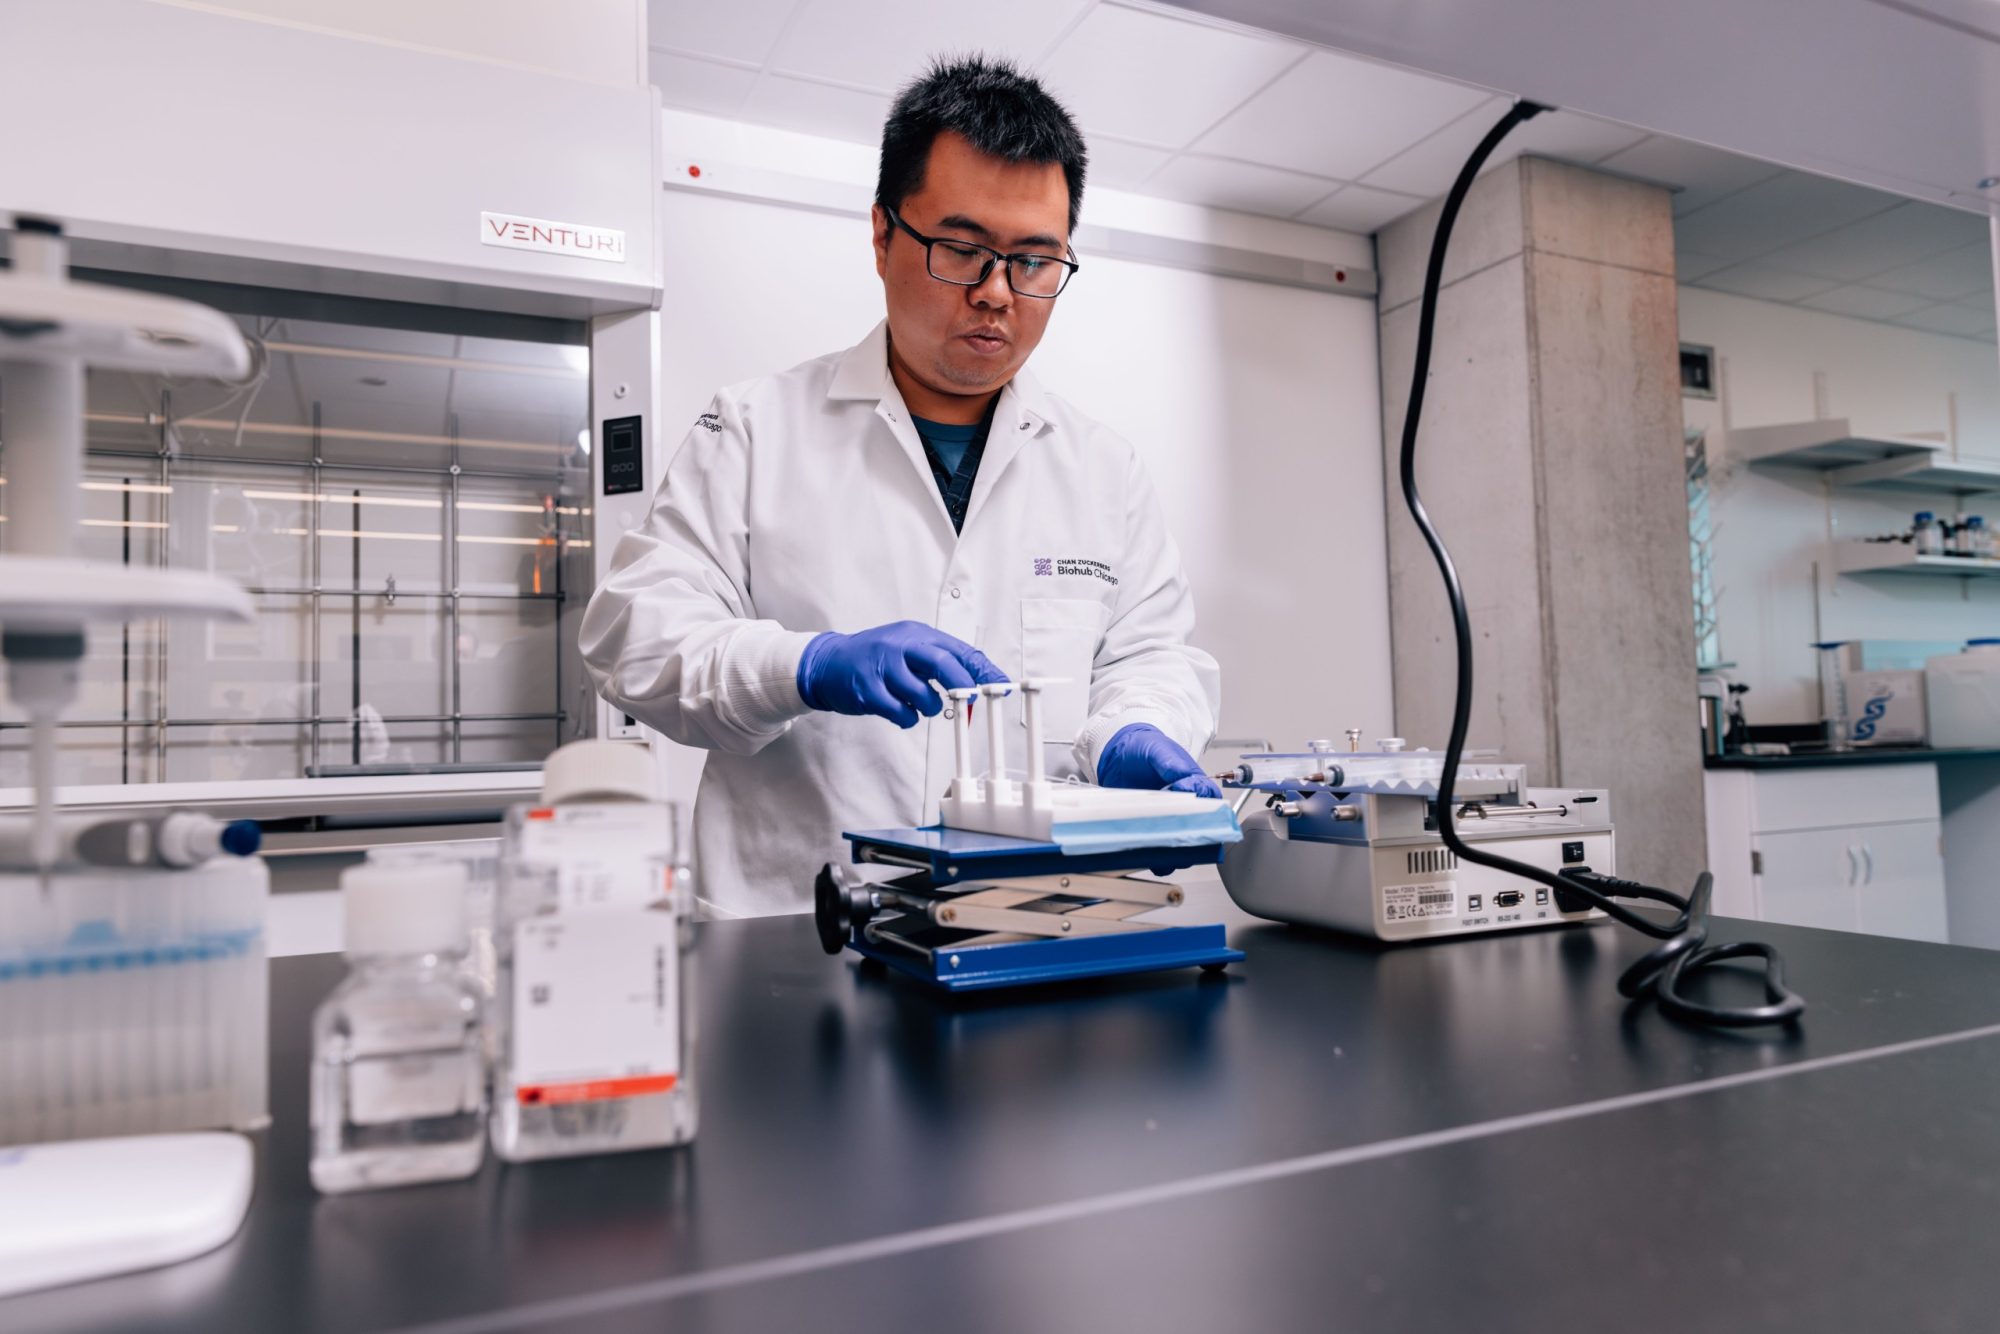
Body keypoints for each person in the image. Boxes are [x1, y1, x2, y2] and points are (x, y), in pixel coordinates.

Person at [580, 55, 1221, 916]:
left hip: (1034, 933)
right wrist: (803, 665)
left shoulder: (1103, 469)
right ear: (883, 235)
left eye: (1035, 261)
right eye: (962, 250)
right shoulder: (754, 430)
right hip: (795, 942)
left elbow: (1152, 656)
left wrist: (1134, 731)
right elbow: (635, 637)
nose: (998, 294)